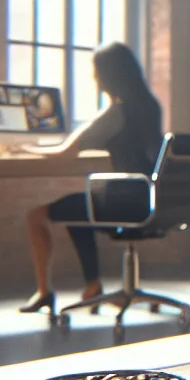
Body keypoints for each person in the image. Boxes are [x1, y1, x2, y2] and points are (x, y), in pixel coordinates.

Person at [19, 43, 163, 314]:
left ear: (109, 76)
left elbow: (65, 154)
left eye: (97, 74)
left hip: (122, 203)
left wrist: (23, 149)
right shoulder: (151, 106)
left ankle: (44, 292)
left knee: (36, 216)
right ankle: (92, 286)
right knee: (79, 210)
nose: (94, 80)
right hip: (150, 200)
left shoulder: (116, 112)